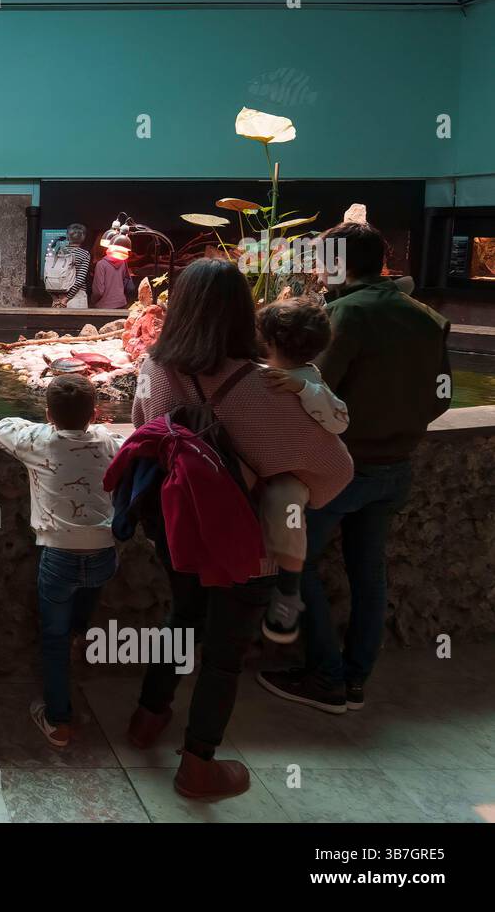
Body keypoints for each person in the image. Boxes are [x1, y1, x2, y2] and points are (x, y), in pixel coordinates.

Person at [124, 259, 351, 799]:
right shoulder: (266, 388)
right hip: (247, 544)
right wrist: (284, 485)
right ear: (243, 314)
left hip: (179, 531)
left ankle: (148, 718)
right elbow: (336, 468)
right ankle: (198, 765)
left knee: (181, 619)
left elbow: (144, 432)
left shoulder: (157, 369)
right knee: (224, 655)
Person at [258, 223, 451, 714]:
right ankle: (356, 679)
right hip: (396, 466)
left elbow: (315, 390)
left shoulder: (344, 314)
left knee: (294, 565)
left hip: (342, 471)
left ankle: (327, 677)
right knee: (369, 574)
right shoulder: (427, 317)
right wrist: (398, 429)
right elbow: (441, 396)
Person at [0, 375, 123, 748]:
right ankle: (76, 648)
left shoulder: (40, 441)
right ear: (95, 413)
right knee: (77, 622)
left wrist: (40, 424)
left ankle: (58, 720)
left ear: (48, 413)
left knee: (54, 636)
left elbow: (1, 428)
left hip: (60, 555)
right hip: (103, 555)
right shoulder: (107, 440)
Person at [254, 297, 349, 643]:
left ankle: (287, 595)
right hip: (264, 467)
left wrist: (304, 390)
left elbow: (339, 420)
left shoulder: (309, 380)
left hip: (291, 476)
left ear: (269, 341)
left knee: (288, 505)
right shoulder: (260, 374)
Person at [45, 223, 92, 309]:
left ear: (67, 236)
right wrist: (66, 299)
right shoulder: (85, 254)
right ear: (83, 237)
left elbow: (48, 276)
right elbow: (80, 279)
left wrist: (55, 298)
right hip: (77, 297)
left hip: (58, 297)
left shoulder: (59, 252)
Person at [89, 244, 131, 310]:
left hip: (104, 305)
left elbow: (99, 291)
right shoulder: (123, 262)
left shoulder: (101, 264)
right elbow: (125, 281)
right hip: (121, 303)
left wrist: (92, 300)